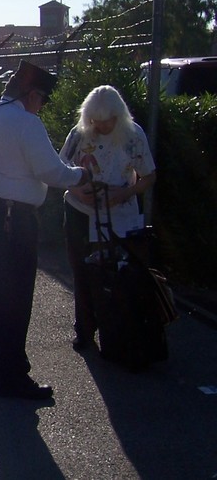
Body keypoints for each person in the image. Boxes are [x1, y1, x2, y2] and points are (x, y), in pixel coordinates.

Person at [0, 60, 91, 400]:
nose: (43, 106)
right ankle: (12, 376)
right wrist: (82, 175)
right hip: (11, 219)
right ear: (32, 94)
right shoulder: (26, 122)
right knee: (15, 298)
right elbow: (52, 172)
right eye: (43, 99)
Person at [59, 85, 157, 351]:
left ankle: (115, 328)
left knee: (113, 272)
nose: (101, 127)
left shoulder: (133, 136)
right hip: (80, 210)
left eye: (107, 122)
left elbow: (149, 175)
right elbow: (60, 167)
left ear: (118, 117)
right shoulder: (79, 135)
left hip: (117, 214)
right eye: (96, 122)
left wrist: (125, 192)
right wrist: (78, 189)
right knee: (82, 271)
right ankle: (85, 330)